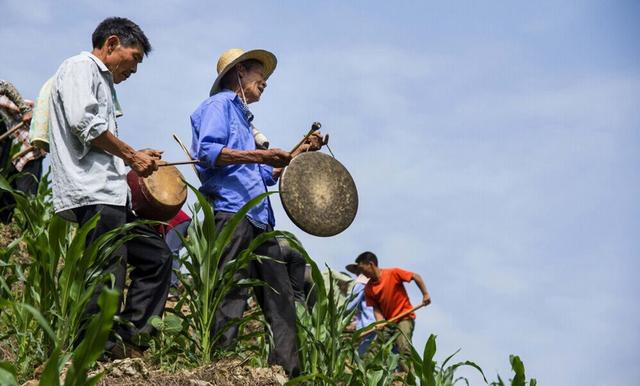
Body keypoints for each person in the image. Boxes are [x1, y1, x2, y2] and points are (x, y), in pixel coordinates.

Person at [190, 47, 322, 377]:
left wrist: (299, 152)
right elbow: (208, 152)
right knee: (231, 288)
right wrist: (261, 157)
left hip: (260, 218)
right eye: (259, 74)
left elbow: (262, 175)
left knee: (280, 299)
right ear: (239, 73)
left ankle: (288, 373)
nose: (264, 81)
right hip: (232, 212)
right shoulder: (218, 105)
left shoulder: (245, 120)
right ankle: (219, 368)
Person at [48, 17, 172, 357]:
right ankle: (93, 354)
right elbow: (83, 124)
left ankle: (130, 342)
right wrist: (132, 155)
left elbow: (99, 138)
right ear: (112, 43)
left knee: (158, 257)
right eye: (134, 57)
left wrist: (134, 154)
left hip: (112, 195)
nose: (135, 68)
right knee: (106, 274)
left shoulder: (101, 82)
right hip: (93, 194)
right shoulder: (79, 67)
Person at [346, 251, 431, 367]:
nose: (361, 273)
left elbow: (415, 276)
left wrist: (425, 294)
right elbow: (376, 308)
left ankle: (406, 377)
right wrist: (380, 322)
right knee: (376, 348)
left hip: (404, 317)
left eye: (362, 269)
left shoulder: (393, 273)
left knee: (403, 347)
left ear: (370, 264)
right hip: (389, 322)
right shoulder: (369, 288)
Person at [0, 81, 46, 223]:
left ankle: (28, 237)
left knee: (26, 200)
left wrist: (25, 110)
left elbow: (6, 86)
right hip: (9, 160)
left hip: (27, 151)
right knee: (5, 201)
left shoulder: (4, 103)